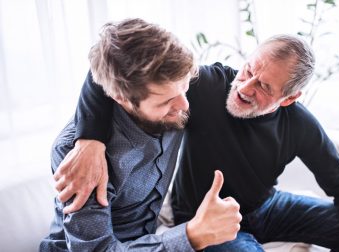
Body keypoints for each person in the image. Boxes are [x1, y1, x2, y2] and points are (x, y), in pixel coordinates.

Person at [54, 34, 339, 252]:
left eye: (265, 87)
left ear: (289, 98)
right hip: (201, 215)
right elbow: (116, 66)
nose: (246, 87)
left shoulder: (299, 124)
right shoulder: (207, 84)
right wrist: (90, 140)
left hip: (266, 208)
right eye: (249, 70)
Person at [40, 18, 242, 251]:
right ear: (120, 98)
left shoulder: (171, 90)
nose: (184, 105)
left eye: (186, 87)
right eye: (166, 101)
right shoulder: (75, 154)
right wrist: (192, 235)